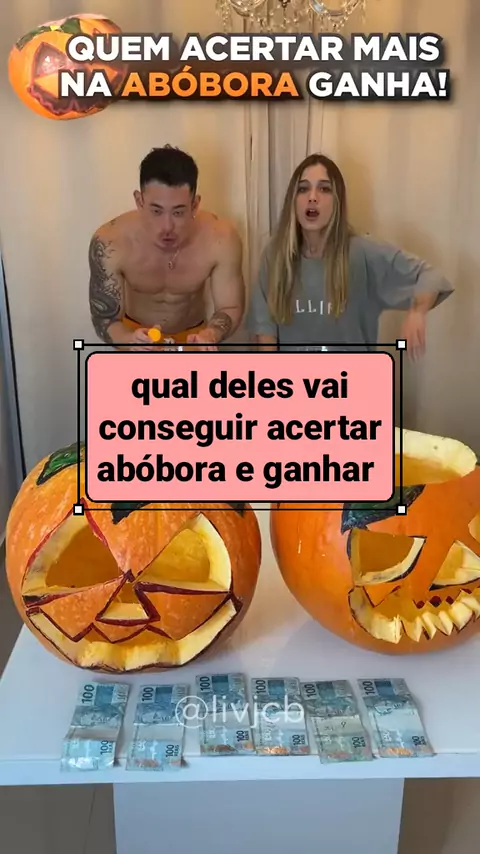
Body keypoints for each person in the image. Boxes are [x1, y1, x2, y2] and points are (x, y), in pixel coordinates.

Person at [246, 153, 454, 359]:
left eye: (324, 189)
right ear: (293, 200)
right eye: (303, 189)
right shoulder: (275, 255)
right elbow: (265, 332)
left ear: (337, 201)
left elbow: (430, 276)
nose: (312, 197)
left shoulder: (363, 252)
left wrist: (417, 312)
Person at [89, 145, 245, 350]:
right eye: (156, 211)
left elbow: (230, 306)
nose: (167, 227)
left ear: (195, 205)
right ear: (139, 201)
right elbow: (105, 317)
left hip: (193, 339)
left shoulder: (221, 238)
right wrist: (129, 340)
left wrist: (212, 333)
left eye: (178, 212)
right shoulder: (110, 242)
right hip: (134, 337)